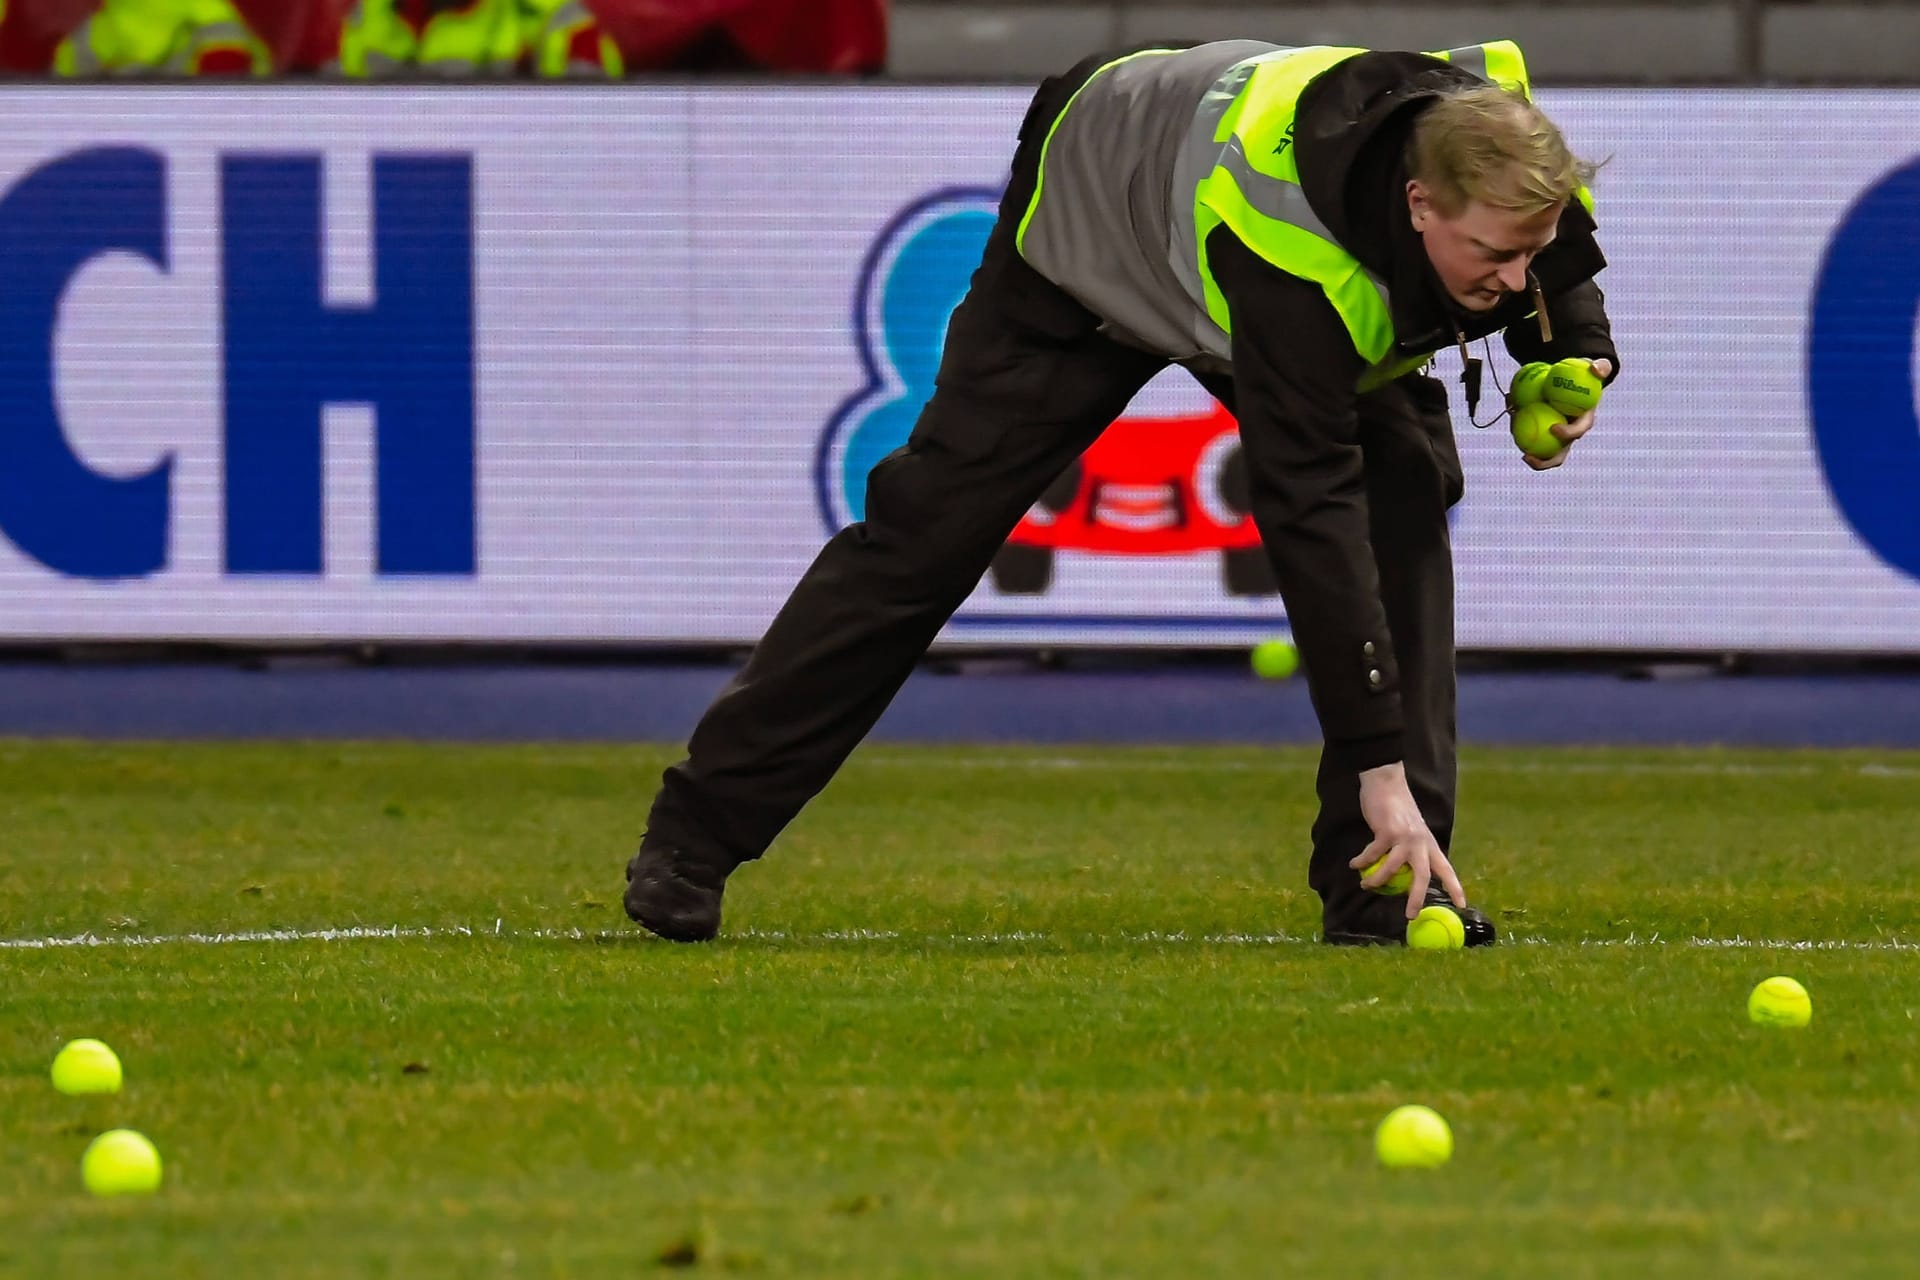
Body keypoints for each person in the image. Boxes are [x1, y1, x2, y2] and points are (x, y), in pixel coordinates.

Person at [624, 37, 1620, 947]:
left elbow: (1547, 241)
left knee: (1403, 509)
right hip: (1087, 248)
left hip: (1205, 216)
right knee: (920, 541)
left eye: (1524, 253)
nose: (1512, 275)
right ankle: (693, 839)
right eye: (1493, 259)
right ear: (1418, 202)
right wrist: (1379, 769)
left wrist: (1571, 351)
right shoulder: (1296, 270)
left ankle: (1383, 889)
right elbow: (1309, 524)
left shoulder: (1493, 137)